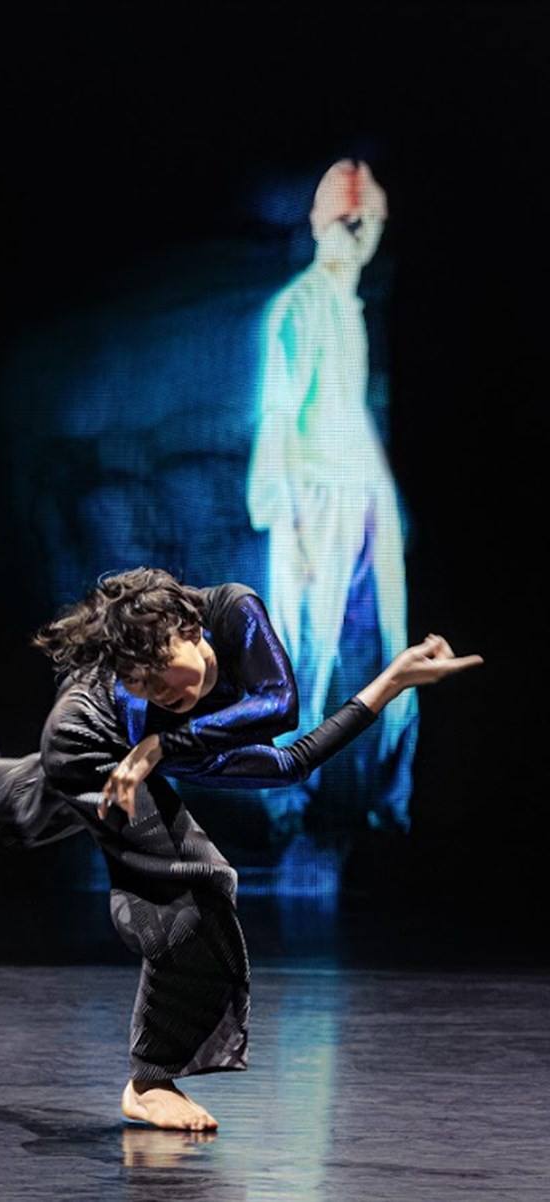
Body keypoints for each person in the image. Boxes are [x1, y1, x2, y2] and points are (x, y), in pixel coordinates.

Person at [0, 567, 483, 1131]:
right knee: (195, 879)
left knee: (31, 800)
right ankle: (150, 1082)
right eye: (142, 686)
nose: (163, 696)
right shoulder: (139, 705)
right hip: (84, 738)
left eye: (161, 675)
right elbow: (132, 739)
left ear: (189, 629)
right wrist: (151, 736)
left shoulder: (234, 612)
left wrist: (390, 683)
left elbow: (285, 730)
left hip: (133, 749)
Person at [246, 159, 418, 832]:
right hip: (313, 495)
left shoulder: (351, 311)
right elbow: (281, 416)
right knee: (305, 650)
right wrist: (286, 512)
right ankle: (287, 794)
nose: (362, 234)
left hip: (359, 492)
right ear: (328, 226)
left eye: (370, 222)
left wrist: (382, 498)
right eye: (352, 222)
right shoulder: (300, 307)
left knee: (389, 641)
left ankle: (389, 803)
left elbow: (346, 411)